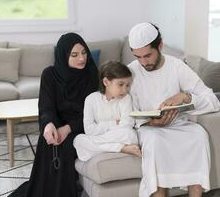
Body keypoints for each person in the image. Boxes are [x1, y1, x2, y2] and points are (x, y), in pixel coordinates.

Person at [127, 22, 220, 197]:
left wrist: (185, 97)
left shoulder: (177, 66)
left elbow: (212, 100)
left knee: (199, 135)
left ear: (160, 46)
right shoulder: (131, 71)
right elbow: (126, 112)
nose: (143, 62)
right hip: (149, 129)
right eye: (137, 57)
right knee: (154, 142)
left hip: (180, 125)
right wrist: (150, 121)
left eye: (147, 55)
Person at [9, 33, 99, 197]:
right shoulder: (50, 74)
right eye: (75, 54)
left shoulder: (91, 74)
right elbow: (46, 107)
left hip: (82, 125)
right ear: (63, 55)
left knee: (67, 144)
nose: (82, 58)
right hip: (57, 123)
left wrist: (68, 129)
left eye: (84, 53)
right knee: (49, 139)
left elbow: (93, 113)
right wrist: (48, 124)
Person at [73, 61, 141, 161]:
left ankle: (100, 148)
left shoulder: (127, 98)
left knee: (130, 134)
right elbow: (89, 130)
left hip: (116, 136)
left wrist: (100, 130)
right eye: (120, 84)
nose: (125, 90)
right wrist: (113, 123)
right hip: (109, 137)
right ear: (106, 82)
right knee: (78, 140)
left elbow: (127, 125)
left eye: (127, 85)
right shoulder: (90, 99)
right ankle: (121, 148)